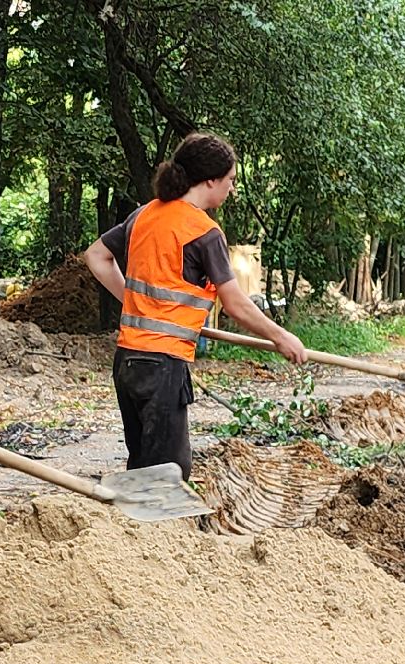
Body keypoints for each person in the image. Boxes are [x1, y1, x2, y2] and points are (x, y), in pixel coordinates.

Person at [83, 133, 305, 480]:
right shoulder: (204, 231)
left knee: (143, 462)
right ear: (210, 180)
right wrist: (281, 337)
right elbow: (235, 303)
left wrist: (134, 301)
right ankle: (155, 531)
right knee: (168, 472)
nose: (232, 189)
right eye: (230, 180)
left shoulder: (144, 215)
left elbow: (96, 256)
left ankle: (133, 530)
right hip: (163, 365)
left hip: (127, 361)